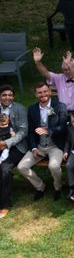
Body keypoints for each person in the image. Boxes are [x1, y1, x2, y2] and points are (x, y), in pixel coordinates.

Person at [17, 83, 69, 201]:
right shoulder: (32, 109)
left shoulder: (60, 106)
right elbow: (30, 131)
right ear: (36, 94)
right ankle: (40, 186)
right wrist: (34, 148)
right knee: (22, 167)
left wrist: (48, 131)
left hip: (56, 145)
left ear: (50, 92)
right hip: (39, 146)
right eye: (40, 92)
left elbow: (63, 127)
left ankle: (58, 187)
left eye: (45, 91)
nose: (43, 94)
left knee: (54, 166)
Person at [0, 85, 28, 218]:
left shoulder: (20, 109)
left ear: (13, 96)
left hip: (16, 145)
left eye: (10, 95)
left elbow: (23, 131)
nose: (7, 97)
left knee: (5, 169)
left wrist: (6, 143)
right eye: (4, 95)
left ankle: (4, 205)